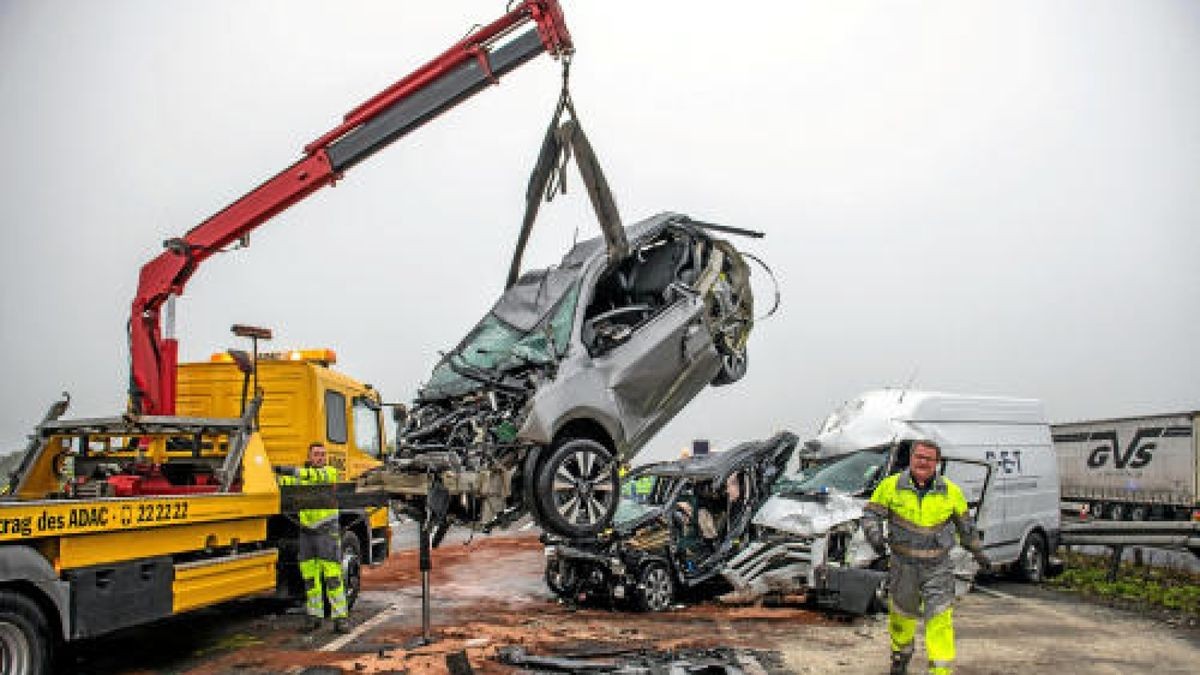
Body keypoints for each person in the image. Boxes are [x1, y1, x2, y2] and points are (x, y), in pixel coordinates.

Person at [862, 440, 989, 675]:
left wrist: (978, 552)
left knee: (940, 620)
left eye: (929, 459)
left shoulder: (951, 491)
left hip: (938, 567)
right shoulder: (890, 486)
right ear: (911, 458)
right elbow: (870, 514)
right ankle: (900, 658)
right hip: (903, 566)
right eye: (919, 456)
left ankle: (940, 672)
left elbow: (966, 527)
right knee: (902, 618)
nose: (923, 462)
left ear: (937, 463)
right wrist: (875, 537)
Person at [276, 442, 350, 633]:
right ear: (309, 458)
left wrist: (287, 470)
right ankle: (314, 616)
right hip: (307, 533)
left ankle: (340, 618)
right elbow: (284, 482)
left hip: (327, 533)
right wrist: (273, 475)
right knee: (310, 579)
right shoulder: (302, 478)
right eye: (316, 455)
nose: (321, 458)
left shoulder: (330, 473)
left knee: (333, 577)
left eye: (323, 454)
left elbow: (312, 476)